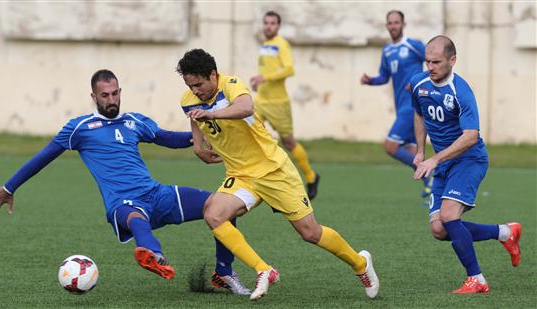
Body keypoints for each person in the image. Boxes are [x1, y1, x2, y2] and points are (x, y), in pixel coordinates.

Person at [0, 69, 251, 296]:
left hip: (156, 193)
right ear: (94, 97)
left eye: (115, 93)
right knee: (136, 217)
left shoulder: (133, 121)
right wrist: (10, 187)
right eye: (105, 95)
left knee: (220, 206)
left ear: (120, 91)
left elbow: (167, 138)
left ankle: (223, 273)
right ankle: (152, 253)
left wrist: (206, 133)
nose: (111, 99)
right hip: (122, 205)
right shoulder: (79, 128)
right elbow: (42, 158)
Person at [177, 49, 379, 301]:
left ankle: (360, 263)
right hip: (241, 175)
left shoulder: (230, 85)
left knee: (310, 233)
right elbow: (194, 118)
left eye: (199, 84)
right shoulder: (189, 98)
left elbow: (245, 106)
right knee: (214, 214)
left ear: (213, 75)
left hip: (273, 170)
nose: (195, 90)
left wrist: (212, 113)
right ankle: (264, 270)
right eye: (190, 85)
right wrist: (198, 146)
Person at [411, 35, 522, 294]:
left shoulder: (461, 92)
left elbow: (471, 137)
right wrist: (419, 151)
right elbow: (420, 113)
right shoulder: (418, 84)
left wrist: (434, 158)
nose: (431, 66)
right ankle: (505, 233)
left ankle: (477, 280)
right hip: (444, 163)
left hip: (470, 160)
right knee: (439, 229)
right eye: (427, 61)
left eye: (436, 62)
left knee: (449, 216)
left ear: (452, 60)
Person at [249, 11, 320, 200]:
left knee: (288, 142)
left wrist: (264, 77)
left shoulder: (281, 44)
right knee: (252, 134)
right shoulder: (265, 46)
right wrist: (258, 82)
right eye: (266, 23)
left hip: (278, 103)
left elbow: (289, 69)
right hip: (261, 101)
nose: (268, 26)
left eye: (272, 23)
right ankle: (259, 179)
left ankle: (311, 176)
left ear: (278, 26)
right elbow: (268, 71)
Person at [360, 10, 431, 197]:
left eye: (396, 22)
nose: (393, 26)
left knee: (390, 146)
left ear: (403, 24)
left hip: (412, 106)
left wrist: (417, 80)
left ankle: (430, 174)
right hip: (401, 107)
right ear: (387, 26)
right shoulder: (387, 50)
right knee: (411, 150)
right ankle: (434, 186)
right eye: (390, 23)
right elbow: (384, 76)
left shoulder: (413, 45)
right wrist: (371, 80)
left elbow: (434, 64)